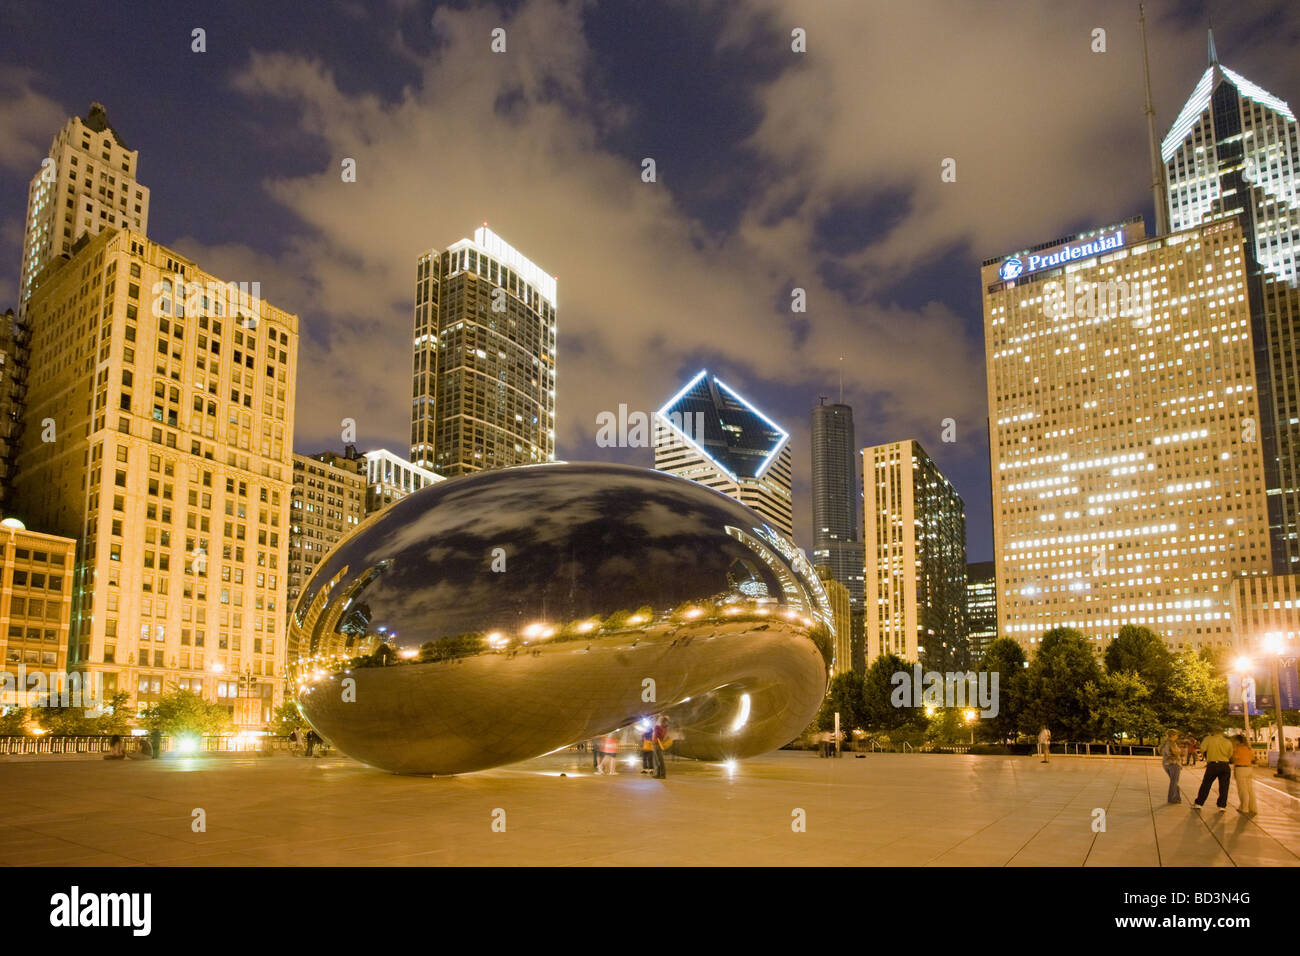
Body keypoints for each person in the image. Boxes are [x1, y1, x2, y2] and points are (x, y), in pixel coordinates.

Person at [1192, 728, 1234, 811]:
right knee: (1224, 786)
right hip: (1225, 765)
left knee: (1206, 784)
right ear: (1222, 733)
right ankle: (1222, 805)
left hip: (1213, 765)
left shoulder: (1208, 739)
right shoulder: (1227, 741)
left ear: (1214, 732)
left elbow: (1202, 749)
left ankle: (1199, 803)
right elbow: (1230, 754)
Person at [1231, 734, 1258, 815]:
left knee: (1242, 789)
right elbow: (1253, 758)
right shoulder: (1248, 748)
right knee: (1250, 789)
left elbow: (1235, 758)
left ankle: (1244, 807)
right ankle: (1253, 808)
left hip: (1240, 769)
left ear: (1238, 741)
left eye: (1234, 740)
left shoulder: (1237, 749)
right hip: (1249, 768)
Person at [1159, 729, 1184, 804]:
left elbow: (1161, 751)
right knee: (1174, 782)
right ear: (1173, 735)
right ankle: (1172, 798)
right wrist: (1180, 753)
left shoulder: (1164, 742)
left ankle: (1177, 798)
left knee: (1174, 781)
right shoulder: (1171, 743)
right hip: (1173, 764)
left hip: (1166, 764)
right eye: (1176, 735)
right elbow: (1173, 753)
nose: (1177, 736)